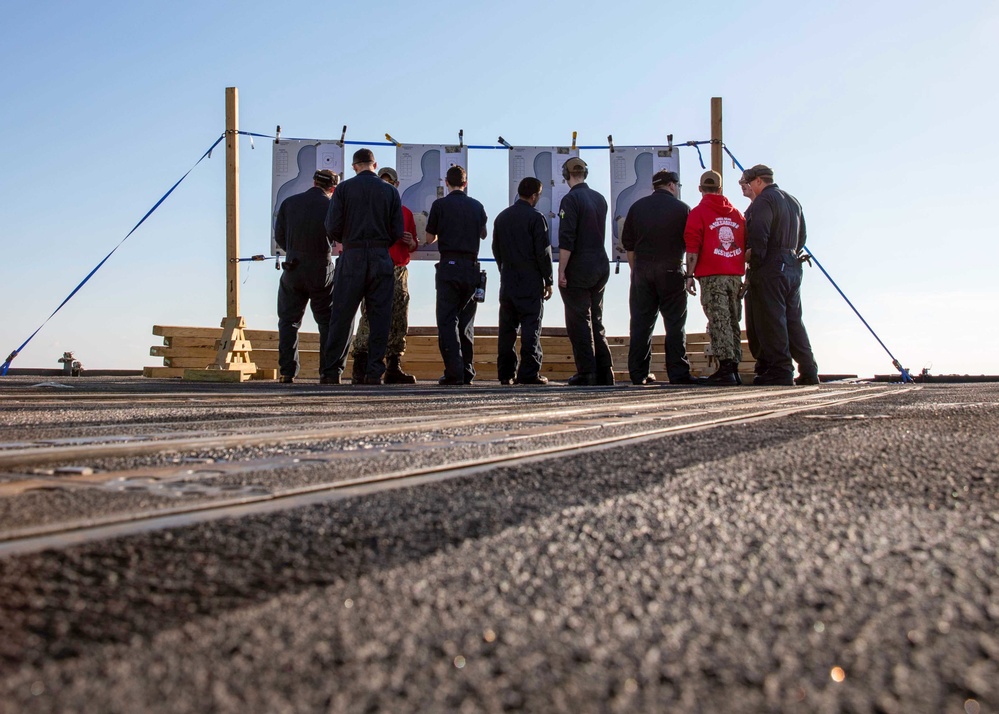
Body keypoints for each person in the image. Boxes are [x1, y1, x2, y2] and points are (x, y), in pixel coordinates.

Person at [321, 148, 404, 385]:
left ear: (354, 166)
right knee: (380, 317)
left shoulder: (344, 189)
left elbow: (332, 226)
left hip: (353, 255)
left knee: (342, 315)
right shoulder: (389, 191)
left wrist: (349, 238)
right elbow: (398, 231)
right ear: (374, 165)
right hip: (380, 256)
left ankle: (332, 371)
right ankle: (374, 371)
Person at [741, 164, 818, 386]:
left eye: (749, 183)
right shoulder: (793, 201)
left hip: (771, 266)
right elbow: (802, 237)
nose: (748, 188)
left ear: (758, 181)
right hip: (792, 264)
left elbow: (759, 235)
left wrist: (753, 260)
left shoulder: (764, 201)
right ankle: (808, 369)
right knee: (794, 320)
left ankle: (781, 370)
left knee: (771, 319)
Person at [621, 169, 699, 385]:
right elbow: (691, 246)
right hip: (672, 270)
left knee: (640, 324)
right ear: (672, 185)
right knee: (674, 324)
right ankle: (678, 373)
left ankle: (639, 373)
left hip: (642, 271)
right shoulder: (683, 209)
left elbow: (629, 246)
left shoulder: (637, 208)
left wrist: (635, 271)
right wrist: (690, 274)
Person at [350, 166, 419, 384]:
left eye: (391, 182)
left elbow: (414, 243)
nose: (387, 185)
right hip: (376, 266)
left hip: (398, 268)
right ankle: (360, 364)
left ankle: (393, 365)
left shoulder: (405, 212)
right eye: (383, 181)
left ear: (397, 185)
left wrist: (411, 242)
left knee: (398, 317)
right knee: (370, 314)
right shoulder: (370, 210)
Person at [425, 165, 488, 385]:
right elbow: (483, 233)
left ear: (446, 182)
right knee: (466, 321)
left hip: (449, 266)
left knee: (447, 320)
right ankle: (468, 370)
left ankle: (454, 371)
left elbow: (429, 237)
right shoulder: (477, 206)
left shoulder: (439, 205)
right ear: (465, 182)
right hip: (471, 268)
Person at [274, 169, 338, 383]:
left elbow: (280, 237)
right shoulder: (331, 206)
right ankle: (328, 373)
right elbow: (338, 234)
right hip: (321, 267)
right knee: (326, 322)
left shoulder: (290, 203)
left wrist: (294, 249)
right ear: (333, 188)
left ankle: (287, 372)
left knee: (288, 321)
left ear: (313, 182)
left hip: (293, 265)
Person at [683, 170, 746, 386]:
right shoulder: (737, 214)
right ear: (720, 189)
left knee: (718, 320)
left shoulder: (698, 213)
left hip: (711, 275)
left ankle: (726, 368)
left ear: (700, 189)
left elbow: (692, 248)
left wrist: (689, 276)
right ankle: (734, 368)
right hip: (735, 276)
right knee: (733, 320)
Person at [557, 157, 614, 386]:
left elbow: (567, 238)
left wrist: (562, 270)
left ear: (566, 174)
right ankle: (606, 371)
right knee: (597, 319)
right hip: (600, 265)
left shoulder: (570, 200)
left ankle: (586, 372)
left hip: (579, 268)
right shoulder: (599, 199)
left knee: (579, 321)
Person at [492, 177, 554, 385]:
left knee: (507, 329)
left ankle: (505, 373)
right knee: (531, 326)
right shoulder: (537, 218)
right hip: (530, 280)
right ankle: (528, 372)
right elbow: (543, 252)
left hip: (508, 279)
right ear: (535, 195)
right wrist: (548, 280)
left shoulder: (502, 217)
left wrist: (504, 268)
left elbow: (496, 249)